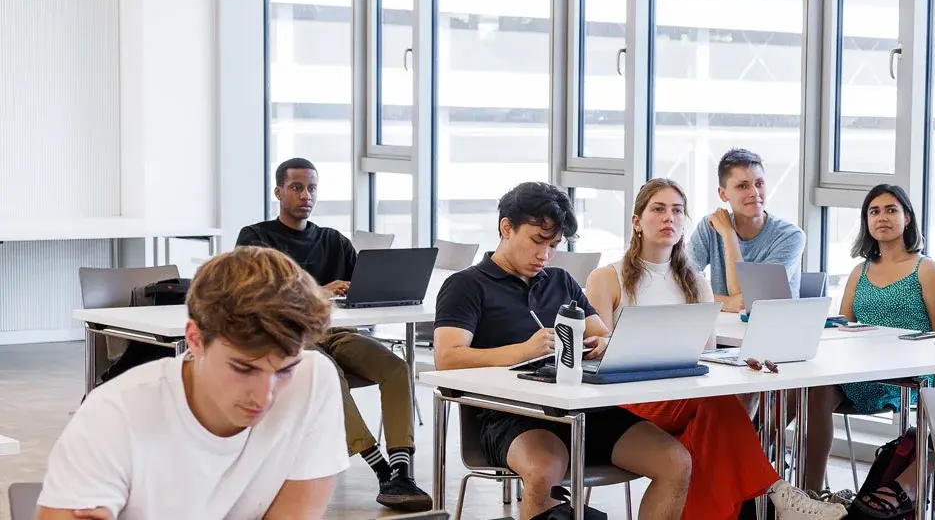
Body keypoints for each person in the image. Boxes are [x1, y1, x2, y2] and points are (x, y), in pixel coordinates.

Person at [584, 178, 848, 520]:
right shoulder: (607, 278)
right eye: (658, 209)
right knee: (716, 406)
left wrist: (740, 362)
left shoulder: (696, 283)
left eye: (677, 211)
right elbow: (597, 354)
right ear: (637, 221)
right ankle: (777, 493)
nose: (670, 218)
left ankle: (777, 496)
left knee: (708, 424)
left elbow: (705, 356)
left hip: (684, 398)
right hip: (628, 401)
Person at [435, 182, 690, 520]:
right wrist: (523, 351)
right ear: (506, 228)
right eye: (537, 241)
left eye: (554, 245)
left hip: (582, 411)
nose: (545, 254)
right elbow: (447, 357)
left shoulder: (561, 281)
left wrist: (602, 344)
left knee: (676, 461)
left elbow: (604, 334)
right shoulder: (466, 285)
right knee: (544, 468)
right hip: (509, 414)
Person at [38, 247, 347, 519]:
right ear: (195, 339)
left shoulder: (312, 380)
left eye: (284, 370)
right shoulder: (112, 415)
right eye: (243, 368)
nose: (264, 397)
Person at [235, 157, 430, 511]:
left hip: (334, 332)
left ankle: (401, 469)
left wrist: (374, 291)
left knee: (396, 367)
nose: (305, 195)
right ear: (278, 192)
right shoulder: (256, 237)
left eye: (311, 188)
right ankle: (380, 468)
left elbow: (363, 290)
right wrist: (318, 290)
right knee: (327, 373)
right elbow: (252, 294)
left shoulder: (333, 241)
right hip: (287, 338)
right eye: (296, 187)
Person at [799, 184, 935, 510]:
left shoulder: (925, 268)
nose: (882, 217)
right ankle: (810, 496)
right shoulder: (859, 271)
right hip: (858, 370)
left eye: (891, 210)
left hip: (907, 377)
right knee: (814, 391)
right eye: (874, 211)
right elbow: (844, 326)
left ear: (907, 218)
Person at [689, 148, 805, 313]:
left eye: (759, 183)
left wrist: (729, 236)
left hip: (773, 332)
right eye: (742, 186)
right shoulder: (709, 227)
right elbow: (680, 286)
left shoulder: (790, 236)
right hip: (723, 331)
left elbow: (748, 302)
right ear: (723, 194)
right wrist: (728, 303)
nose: (755, 193)